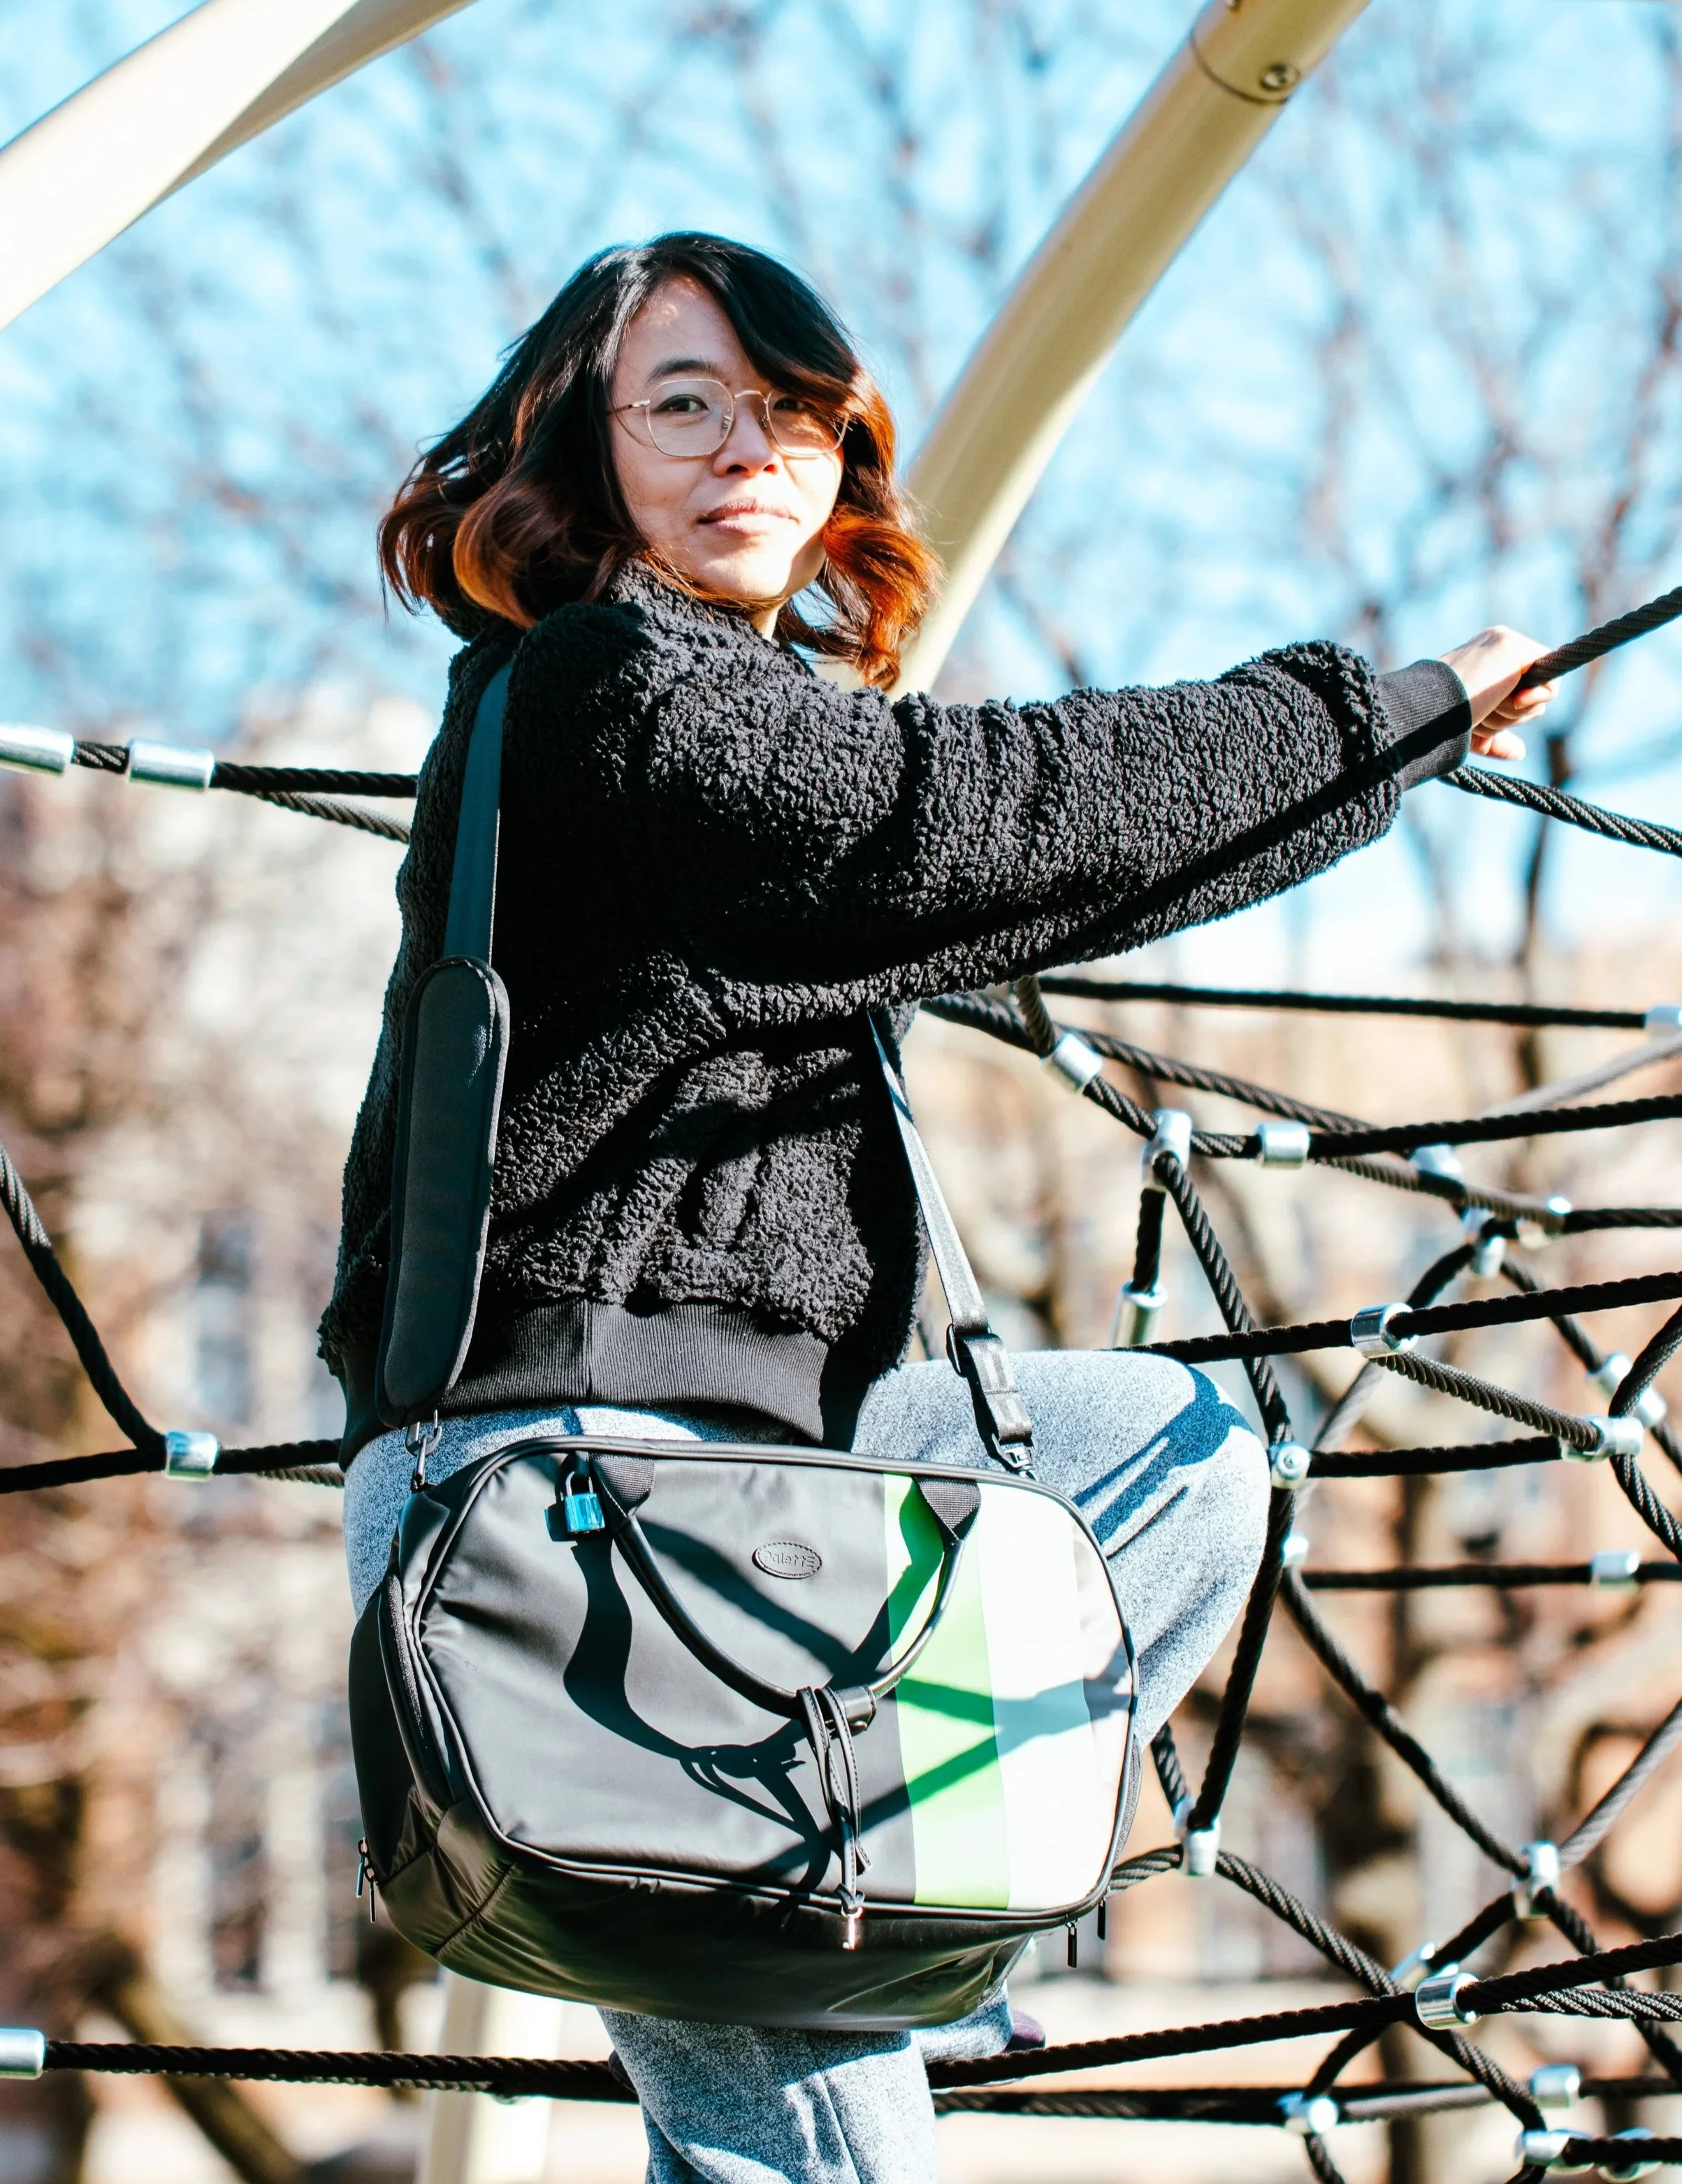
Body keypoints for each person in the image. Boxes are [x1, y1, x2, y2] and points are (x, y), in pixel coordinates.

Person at [322, 231, 1552, 2183]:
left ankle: (920, 1896)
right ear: (581, 449)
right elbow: (989, 816)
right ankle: (877, 1925)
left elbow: (1031, 863)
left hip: (772, 1452)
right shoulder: (615, 687)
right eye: (683, 405)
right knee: (824, 2159)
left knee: (1168, 1451)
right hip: (581, 1485)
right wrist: (1376, 717)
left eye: (791, 412)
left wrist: (1369, 755)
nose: (749, 450)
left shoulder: (708, 701)